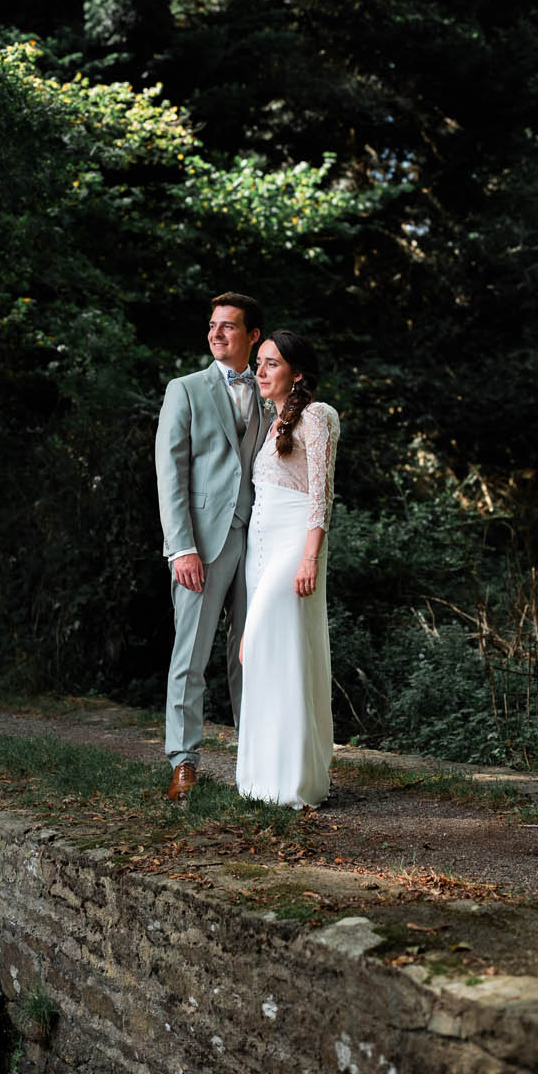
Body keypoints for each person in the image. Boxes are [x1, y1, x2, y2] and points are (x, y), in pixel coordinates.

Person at [155, 292, 267, 801]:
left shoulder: (270, 390)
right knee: (191, 654)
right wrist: (181, 548)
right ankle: (184, 761)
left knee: (252, 654)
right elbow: (170, 472)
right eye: (212, 326)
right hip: (202, 542)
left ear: (253, 336)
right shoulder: (185, 389)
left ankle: (256, 760)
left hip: (261, 540)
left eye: (228, 326)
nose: (216, 334)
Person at [235, 330, 340, 809]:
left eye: (271, 363)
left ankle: (296, 780)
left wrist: (308, 557)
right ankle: (263, 780)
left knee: (276, 646)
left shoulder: (318, 416)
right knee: (259, 652)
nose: (260, 370)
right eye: (259, 362)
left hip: (294, 547)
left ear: (296, 373)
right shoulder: (273, 423)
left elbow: (321, 493)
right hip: (263, 548)